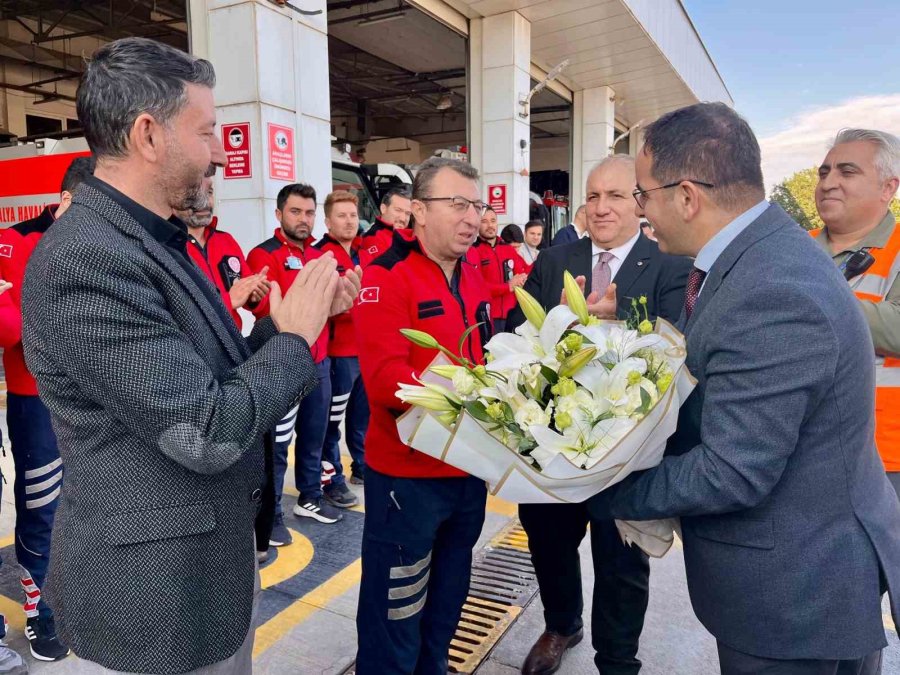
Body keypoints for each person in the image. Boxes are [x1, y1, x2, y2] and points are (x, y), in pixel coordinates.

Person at [20, 37, 359, 674]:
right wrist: (292, 340)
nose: (218, 156)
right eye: (206, 133)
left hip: (199, 579)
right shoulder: (88, 260)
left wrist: (287, 326)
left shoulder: (153, 238)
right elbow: (202, 431)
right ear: (149, 135)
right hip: (150, 604)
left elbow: (208, 376)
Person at [586, 102, 900, 675]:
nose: (639, 210)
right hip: (802, 571)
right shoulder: (760, 253)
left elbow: (732, 471)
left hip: (793, 598)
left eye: (642, 195)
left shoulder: (771, 288)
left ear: (686, 196)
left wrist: (593, 490)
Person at [507, 155, 690, 675]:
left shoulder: (671, 263)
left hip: (628, 453)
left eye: (614, 196)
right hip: (554, 444)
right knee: (548, 540)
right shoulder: (554, 261)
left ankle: (617, 658)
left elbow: (678, 340)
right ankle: (562, 624)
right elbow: (523, 339)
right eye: (592, 196)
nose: (601, 207)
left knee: (621, 561)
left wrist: (619, 311)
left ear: (640, 202)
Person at [354, 157, 493, 674]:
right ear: (418, 210)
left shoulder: (474, 273)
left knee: (446, 604)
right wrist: (471, 387)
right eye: (456, 204)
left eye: (475, 205)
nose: (470, 217)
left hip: (468, 472)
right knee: (396, 613)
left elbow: (489, 353)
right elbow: (386, 383)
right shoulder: (387, 276)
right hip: (407, 482)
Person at [0, 154, 96, 663]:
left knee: (91, 506)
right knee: (43, 511)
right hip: (35, 401)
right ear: (66, 200)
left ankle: (78, 601)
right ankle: (43, 612)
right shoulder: (15, 242)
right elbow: (11, 329)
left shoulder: (98, 244)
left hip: (95, 396)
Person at [248, 183, 359, 524]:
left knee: (315, 437)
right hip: (282, 363)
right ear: (279, 214)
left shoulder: (319, 257)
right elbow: (263, 307)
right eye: (295, 212)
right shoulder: (263, 255)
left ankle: (310, 497)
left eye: (309, 213)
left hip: (319, 362)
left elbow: (331, 307)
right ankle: (272, 513)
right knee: (278, 446)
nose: (303, 219)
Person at [812, 128, 900, 499]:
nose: (828, 182)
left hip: (884, 456)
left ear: (888, 188)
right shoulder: (794, 247)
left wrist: (810, 302)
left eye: (847, 172)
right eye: (824, 172)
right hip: (802, 449)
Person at [314, 190, 370, 486]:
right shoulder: (321, 255)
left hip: (364, 349)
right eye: (341, 216)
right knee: (331, 422)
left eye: (352, 215)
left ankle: (361, 467)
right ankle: (332, 477)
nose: (349, 222)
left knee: (362, 417)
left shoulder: (363, 253)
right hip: (337, 352)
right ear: (327, 222)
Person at [177, 172, 270, 330]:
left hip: (234, 345)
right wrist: (229, 301)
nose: (205, 201)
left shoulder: (226, 241)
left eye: (209, 192)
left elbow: (246, 293)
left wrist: (254, 296)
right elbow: (180, 313)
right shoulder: (167, 245)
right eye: (195, 194)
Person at [469, 206, 528, 333]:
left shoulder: (508, 249)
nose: (490, 225)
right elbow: (477, 288)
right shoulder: (472, 251)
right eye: (484, 221)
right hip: (488, 317)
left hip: (512, 315)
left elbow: (524, 272)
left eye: (493, 221)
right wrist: (507, 287)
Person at [359, 188, 412, 267]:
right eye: (398, 210)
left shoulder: (412, 236)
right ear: (383, 209)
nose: (403, 218)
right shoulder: (373, 238)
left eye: (407, 213)